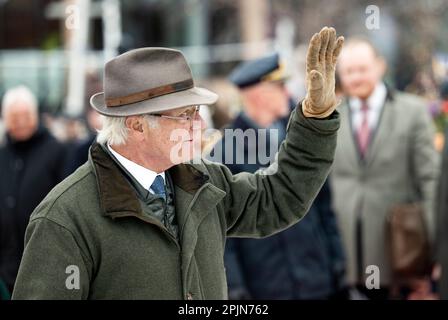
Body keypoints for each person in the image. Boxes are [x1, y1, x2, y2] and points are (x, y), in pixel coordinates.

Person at [12, 27, 344, 299]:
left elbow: (278, 199)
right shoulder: (64, 218)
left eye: (196, 112)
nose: (198, 125)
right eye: (184, 115)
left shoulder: (202, 181)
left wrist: (315, 120)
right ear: (137, 124)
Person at [212, 53, 346, 299]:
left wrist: (337, 262)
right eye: (280, 86)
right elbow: (221, 233)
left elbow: (324, 207)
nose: (288, 92)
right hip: (266, 287)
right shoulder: (225, 151)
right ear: (259, 94)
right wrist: (234, 287)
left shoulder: (300, 137)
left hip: (316, 281)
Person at [331, 38, 439, 299]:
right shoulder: (330, 118)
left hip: (399, 255)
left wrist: (437, 251)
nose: (356, 77)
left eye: (362, 69)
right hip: (345, 259)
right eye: (348, 71)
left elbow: (431, 181)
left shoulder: (412, 112)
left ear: (380, 66)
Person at [0, 86, 67, 296]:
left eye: (25, 115)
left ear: (36, 115)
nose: (20, 121)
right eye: (13, 116)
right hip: (5, 265)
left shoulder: (57, 151)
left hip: (43, 260)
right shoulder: (2, 154)